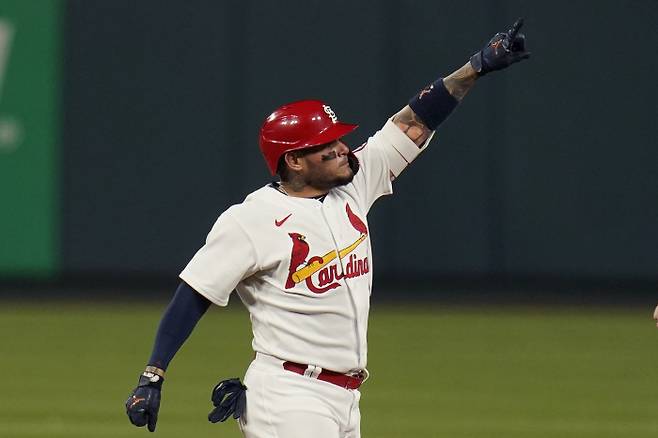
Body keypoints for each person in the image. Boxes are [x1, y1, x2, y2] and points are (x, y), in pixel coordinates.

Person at [126, 18, 530, 437]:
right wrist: (153, 375)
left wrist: (477, 66)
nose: (341, 149)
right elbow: (194, 293)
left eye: (339, 139)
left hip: (345, 397)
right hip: (289, 395)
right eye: (326, 144)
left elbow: (414, 121)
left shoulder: (354, 183)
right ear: (294, 161)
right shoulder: (252, 218)